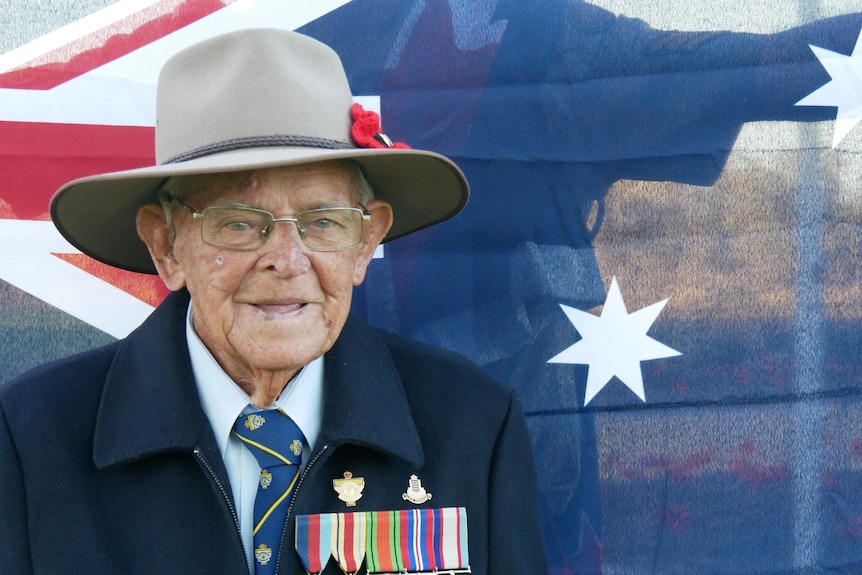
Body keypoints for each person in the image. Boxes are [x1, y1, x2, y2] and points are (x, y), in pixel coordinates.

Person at [0, 28, 547, 575]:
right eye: (238, 223)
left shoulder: (471, 425)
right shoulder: (30, 439)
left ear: (366, 243)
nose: (287, 260)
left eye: (323, 223)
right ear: (166, 247)